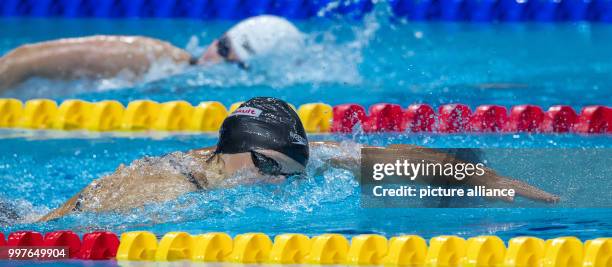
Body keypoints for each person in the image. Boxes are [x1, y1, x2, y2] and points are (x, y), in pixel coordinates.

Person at [39, 97, 559, 222]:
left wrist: (493, 179)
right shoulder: (162, 189)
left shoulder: (290, 159)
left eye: (292, 173)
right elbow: (48, 237)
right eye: (268, 170)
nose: (279, 185)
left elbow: (401, 159)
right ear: (232, 154)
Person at [0, 15, 303, 91]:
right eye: (222, 47)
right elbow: (24, 59)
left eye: (234, 63)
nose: (215, 59)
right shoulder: (150, 57)